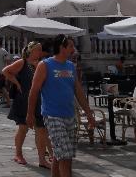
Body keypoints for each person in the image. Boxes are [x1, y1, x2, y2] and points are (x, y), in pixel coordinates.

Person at [27, 35, 94, 177]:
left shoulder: (71, 66)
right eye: (70, 46)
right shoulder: (44, 65)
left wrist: (88, 113)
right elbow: (33, 91)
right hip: (52, 115)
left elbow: (78, 91)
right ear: (61, 47)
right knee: (65, 156)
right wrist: (30, 114)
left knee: (60, 154)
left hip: (70, 115)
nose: (73, 49)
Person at [3, 41, 53, 168]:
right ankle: (18, 154)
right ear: (30, 51)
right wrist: (17, 83)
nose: (39, 52)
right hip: (23, 100)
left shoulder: (43, 64)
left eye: (41, 50)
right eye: (37, 49)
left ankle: (42, 159)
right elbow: (6, 71)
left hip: (40, 101)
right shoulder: (22, 62)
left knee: (41, 130)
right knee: (23, 128)